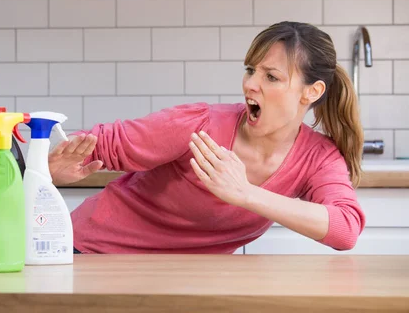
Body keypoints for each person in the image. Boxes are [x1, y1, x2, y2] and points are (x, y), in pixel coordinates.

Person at [49, 21, 366, 254]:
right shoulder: (199, 126)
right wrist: (48, 169)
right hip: (91, 253)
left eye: (271, 76)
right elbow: (103, 143)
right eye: (250, 70)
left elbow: (345, 228)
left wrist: (245, 193)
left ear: (312, 92)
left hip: (184, 279)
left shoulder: (317, 158)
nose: (250, 85)